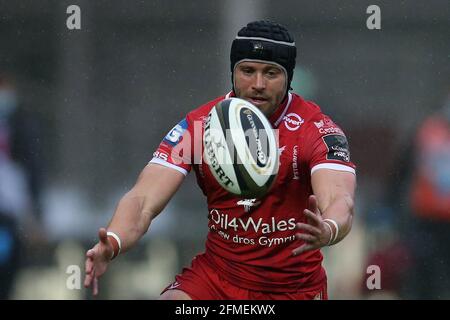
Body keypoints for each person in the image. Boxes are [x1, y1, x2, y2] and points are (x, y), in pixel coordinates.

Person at [84, 20, 356, 300]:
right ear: (233, 71)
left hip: (292, 290)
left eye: (271, 73)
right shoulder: (200, 126)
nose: (258, 84)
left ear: (288, 77)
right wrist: (114, 241)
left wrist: (329, 228)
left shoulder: (316, 129)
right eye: (248, 71)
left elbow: (339, 199)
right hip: (217, 279)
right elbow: (143, 199)